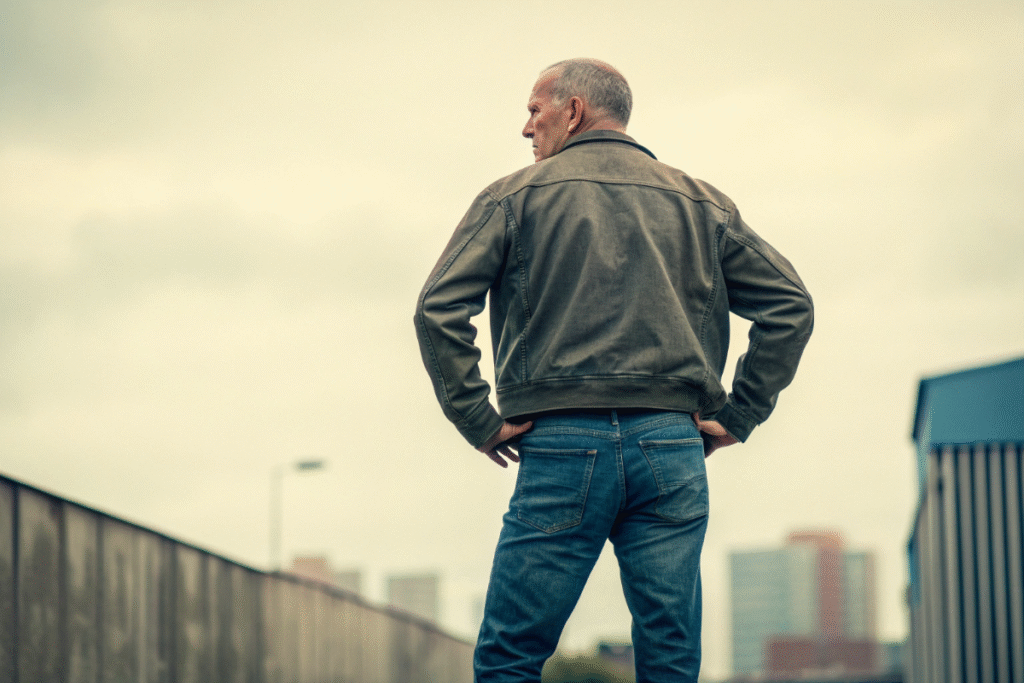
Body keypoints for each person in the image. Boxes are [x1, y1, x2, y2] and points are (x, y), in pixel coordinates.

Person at [414, 58, 813, 682]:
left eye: (535, 110)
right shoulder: (702, 203)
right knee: (671, 652)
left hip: (562, 445)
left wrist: (477, 418)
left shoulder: (512, 198)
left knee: (510, 653)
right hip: (671, 448)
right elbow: (790, 305)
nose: (526, 129)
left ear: (573, 111)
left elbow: (438, 307)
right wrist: (740, 414)